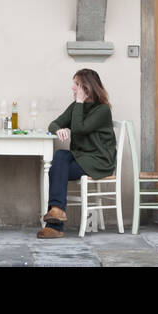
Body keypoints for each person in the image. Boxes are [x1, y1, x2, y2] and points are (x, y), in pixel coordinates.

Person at [38, 69, 117, 239]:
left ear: (86, 88)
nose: (72, 88)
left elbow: (80, 129)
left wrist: (80, 102)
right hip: (81, 156)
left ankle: (55, 225)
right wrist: (59, 130)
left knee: (57, 169)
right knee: (59, 156)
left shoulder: (102, 110)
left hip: (98, 160)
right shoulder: (76, 106)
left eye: (76, 84)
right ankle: (57, 211)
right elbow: (54, 123)